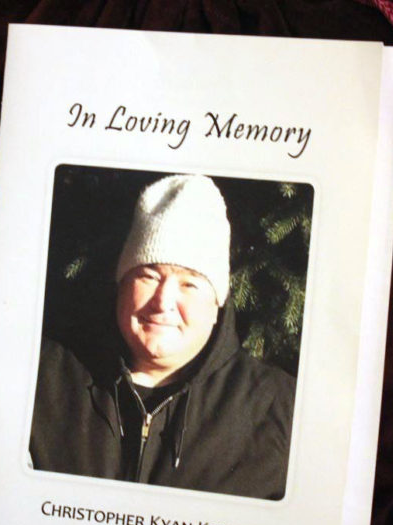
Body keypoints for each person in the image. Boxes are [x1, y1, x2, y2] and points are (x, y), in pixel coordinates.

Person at [29, 174, 296, 500]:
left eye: (190, 284)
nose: (162, 302)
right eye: (148, 276)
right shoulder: (41, 379)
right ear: (121, 285)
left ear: (217, 304)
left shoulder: (279, 410)